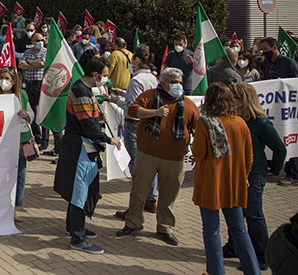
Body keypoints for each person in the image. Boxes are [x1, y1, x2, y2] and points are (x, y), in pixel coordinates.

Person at [116, 67, 200, 245]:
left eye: (179, 83)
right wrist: (155, 113)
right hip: (147, 154)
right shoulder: (150, 96)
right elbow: (133, 111)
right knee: (139, 190)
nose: (178, 86)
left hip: (175, 159)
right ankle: (133, 223)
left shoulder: (188, 104)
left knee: (169, 194)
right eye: (173, 82)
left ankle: (164, 227)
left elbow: (197, 128)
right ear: (163, 83)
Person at [53, 57, 121, 254]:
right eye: (105, 76)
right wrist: (110, 140)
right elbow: (90, 129)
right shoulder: (82, 92)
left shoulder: (83, 89)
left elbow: (87, 117)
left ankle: (72, 227)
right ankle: (78, 237)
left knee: (81, 191)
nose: (106, 80)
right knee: (79, 194)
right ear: (95, 75)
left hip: (81, 147)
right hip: (80, 149)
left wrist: (97, 116)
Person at [192, 82, 259, 275]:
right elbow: (249, 156)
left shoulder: (204, 122)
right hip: (234, 183)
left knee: (212, 231)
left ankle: (216, 271)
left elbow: (199, 152)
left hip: (211, 183)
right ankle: (253, 271)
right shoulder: (240, 122)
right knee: (239, 230)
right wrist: (243, 176)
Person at [219, 82, 287, 270]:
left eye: (233, 97)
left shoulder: (260, 122)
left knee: (253, 215)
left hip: (253, 174)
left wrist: (274, 169)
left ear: (242, 100)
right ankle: (234, 246)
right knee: (234, 212)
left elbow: (280, 149)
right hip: (232, 173)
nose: (229, 101)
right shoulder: (231, 118)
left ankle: (261, 255)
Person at [114, 46, 159, 220]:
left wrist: (116, 100)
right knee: (149, 164)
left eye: (132, 59)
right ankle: (151, 199)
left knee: (136, 166)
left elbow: (133, 107)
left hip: (134, 125)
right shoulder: (153, 78)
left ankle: (135, 206)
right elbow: (142, 99)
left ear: (137, 60)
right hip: (150, 124)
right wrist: (123, 93)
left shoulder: (136, 80)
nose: (130, 63)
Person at [0, 67, 32, 222]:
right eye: (1, 77)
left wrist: (26, 115)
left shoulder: (22, 96)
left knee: (19, 178)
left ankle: (12, 209)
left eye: (7, 78)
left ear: (13, 81)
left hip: (19, 145)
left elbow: (32, 115)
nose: (3, 81)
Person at [257, 37, 298, 187]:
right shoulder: (267, 64)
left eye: (266, 49)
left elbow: (295, 85)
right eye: (262, 49)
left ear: (274, 47)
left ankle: (293, 174)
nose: (263, 52)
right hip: (275, 108)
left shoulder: (289, 64)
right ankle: (274, 167)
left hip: (289, 110)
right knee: (277, 138)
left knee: (290, 139)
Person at [19, 32, 47, 150]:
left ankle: (45, 140)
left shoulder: (45, 52)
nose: (40, 42)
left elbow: (42, 63)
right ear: (32, 42)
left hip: (41, 84)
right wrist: (33, 64)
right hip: (29, 84)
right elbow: (21, 65)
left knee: (43, 111)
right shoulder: (27, 52)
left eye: (41, 40)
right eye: (37, 40)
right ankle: (37, 135)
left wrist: (29, 64)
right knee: (32, 111)